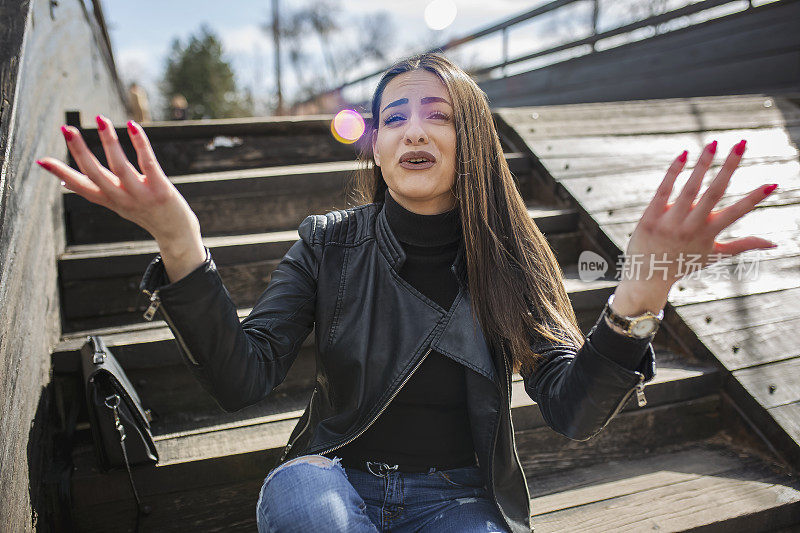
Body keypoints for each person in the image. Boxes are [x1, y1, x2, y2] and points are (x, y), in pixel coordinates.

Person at [35, 53, 778, 533]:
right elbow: (241, 376)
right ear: (380, 148)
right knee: (299, 503)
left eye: (439, 115)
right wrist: (179, 241)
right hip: (333, 482)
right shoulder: (328, 241)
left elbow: (572, 409)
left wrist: (635, 302)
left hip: (462, 501)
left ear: (475, 142)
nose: (413, 130)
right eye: (394, 117)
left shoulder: (515, 257)